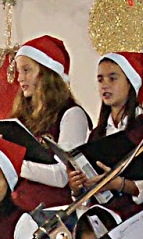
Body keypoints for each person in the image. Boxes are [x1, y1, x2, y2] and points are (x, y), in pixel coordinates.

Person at [71, 51, 143, 216]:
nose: (105, 85)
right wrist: (77, 188)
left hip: (139, 219)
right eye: (100, 79)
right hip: (102, 220)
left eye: (113, 78)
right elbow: (87, 196)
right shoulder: (96, 134)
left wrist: (121, 184)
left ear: (130, 83)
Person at [10, 35, 91, 211]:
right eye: (18, 71)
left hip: (54, 212)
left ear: (46, 74)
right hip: (20, 211)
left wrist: (13, 163)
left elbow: (63, 175)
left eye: (26, 70)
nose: (20, 78)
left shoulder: (71, 114)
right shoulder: (23, 117)